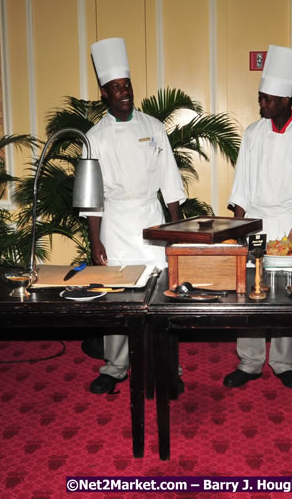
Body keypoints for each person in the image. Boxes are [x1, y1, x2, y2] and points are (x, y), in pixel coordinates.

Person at [83, 37, 187, 394]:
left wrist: (174, 227)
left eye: (126, 85)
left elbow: (170, 181)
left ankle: (167, 366)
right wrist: (95, 238)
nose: (124, 92)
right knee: (116, 299)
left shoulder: (153, 127)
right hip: (114, 223)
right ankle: (115, 367)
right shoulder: (93, 137)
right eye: (116, 88)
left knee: (160, 300)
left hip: (150, 220)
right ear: (104, 94)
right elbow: (92, 195)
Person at [224, 45, 292, 389]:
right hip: (256, 221)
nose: (261, 104)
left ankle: (284, 362)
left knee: (288, 293)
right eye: (260, 97)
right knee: (251, 291)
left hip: (290, 225)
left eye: (266, 98)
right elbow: (241, 187)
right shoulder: (252, 134)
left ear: (284, 100)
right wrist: (238, 229)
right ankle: (250, 361)